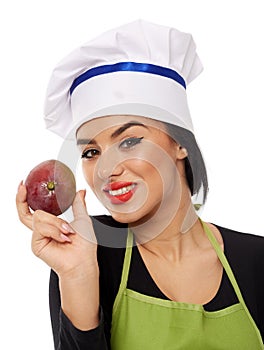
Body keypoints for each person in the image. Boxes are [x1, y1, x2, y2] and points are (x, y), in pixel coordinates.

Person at [16, 20, 264, 349]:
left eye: (130, 141)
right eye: (91, 152)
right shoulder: (90, 256)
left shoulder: (257, 260)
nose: (105, 169)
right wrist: (78, 278)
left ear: (180, 143)